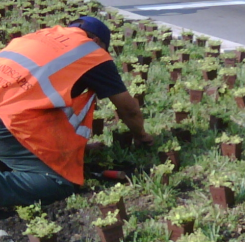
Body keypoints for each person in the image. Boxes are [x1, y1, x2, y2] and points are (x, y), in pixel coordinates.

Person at [0, 16, 153, 207]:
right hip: (8, 119)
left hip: (7, 107)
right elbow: (128, 109)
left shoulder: (42, 35)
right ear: (98, 42)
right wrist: (141, 135)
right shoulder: (91, 51)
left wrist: (80, 148)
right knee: (57, 183)